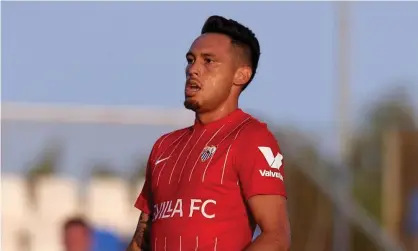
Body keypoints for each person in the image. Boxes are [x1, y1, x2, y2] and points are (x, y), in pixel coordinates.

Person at [126, 15, 291, 251]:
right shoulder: (164, 146)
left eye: (208, 61)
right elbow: (141, 241)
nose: (193, 69)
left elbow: (277, 237)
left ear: (241, 75)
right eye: (191, 60)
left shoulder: (252, 138)